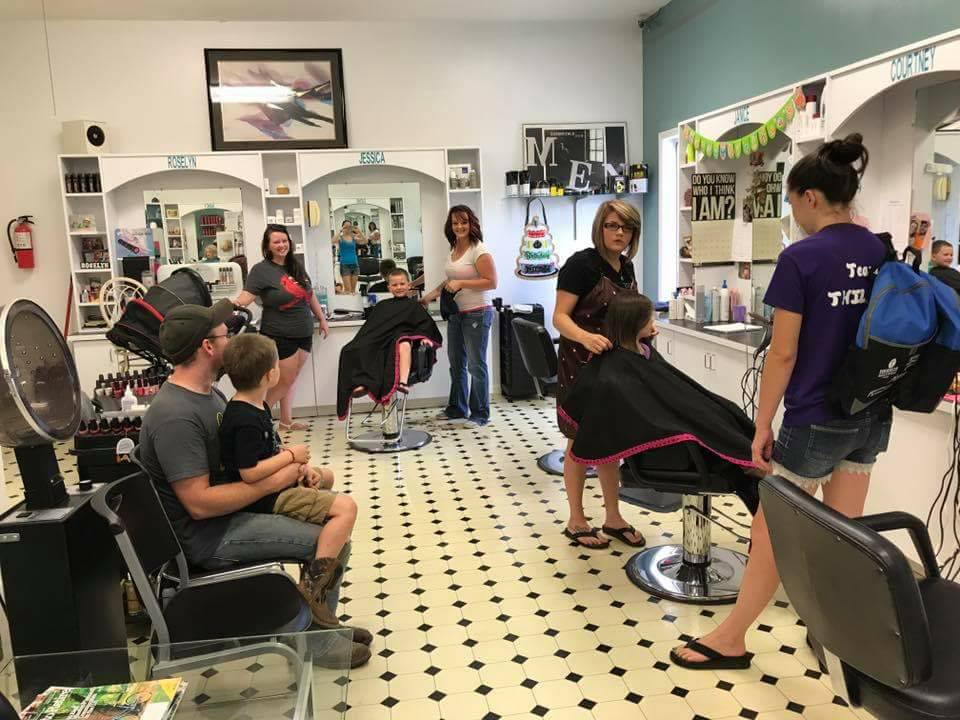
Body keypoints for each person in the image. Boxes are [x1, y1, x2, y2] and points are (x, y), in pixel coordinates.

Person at [672, 133, 892, 670]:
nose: (791, 213)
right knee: (845, 534)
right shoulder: (878, 248)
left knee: (773, 527)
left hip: (814, 418)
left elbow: (784, 354)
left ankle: (731, 637)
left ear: (811, 197)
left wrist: (761, 424)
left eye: (791, 203)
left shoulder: (801, 258)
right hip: (870, 415)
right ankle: (843, 642)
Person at [137, 300, 371, 668]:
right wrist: (276, 480)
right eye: (225, 335)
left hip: (236, 511)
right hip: (208, 536)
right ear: (207, 347)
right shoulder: (175, 416)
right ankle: (318, 642)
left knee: (334, 526)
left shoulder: (209, 394)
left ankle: (321, 627)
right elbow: (199, 503)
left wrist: (293, 474)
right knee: (327, 541)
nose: (231, 340)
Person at [562, 293, 761, 513]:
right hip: (670, 449)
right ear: (635, 324)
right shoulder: (612, 372)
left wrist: (645, 337)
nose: (654, 324)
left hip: (674, 437)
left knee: (722, 411)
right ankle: (750, 463)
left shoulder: (639, 351)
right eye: (650, 320)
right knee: (710, 426)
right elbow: (649, 416)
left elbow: (656, 398)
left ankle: (750, 461)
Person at [220, 333, 355, 627]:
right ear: (271, 374)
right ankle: (311, 590)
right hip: (267, 497)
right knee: (346, 508)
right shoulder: (243, 417)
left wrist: (297, 465)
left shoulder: (257, 406)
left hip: (279, 484)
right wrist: (291, 457)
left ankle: (321, 605)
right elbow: (250, 471)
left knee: (326, 477)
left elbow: (266, 449)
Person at [553, 199, 645, 550]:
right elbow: (559, 316)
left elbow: (626, 315)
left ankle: (613, 517)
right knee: (579, 440)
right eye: (612, 225)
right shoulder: (581, 265)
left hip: (615, 365)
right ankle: (576, 519)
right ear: (600, 228)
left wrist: (642, 330)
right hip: (580, 364)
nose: (619, 232)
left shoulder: (626, 268)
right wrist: (586, 337)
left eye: (626, 227)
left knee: (611, 440)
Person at [235, 224, 328, 432]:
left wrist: (321, 318)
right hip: (279, 334)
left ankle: (286, 422)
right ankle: (259, 417)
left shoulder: (296, 265)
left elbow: (309, 294)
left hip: (304, 332)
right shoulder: (261, 270)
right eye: (276, 242)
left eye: (284, 241)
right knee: (283, 380)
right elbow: (246, 297)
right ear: (267, 246)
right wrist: (229, 308)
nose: (282, 245)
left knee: (291, 379)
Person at [420, 205, 497, 426]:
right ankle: (457, 408)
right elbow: (449, 281)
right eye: (455, 223)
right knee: (457, 364)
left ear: (472, 224)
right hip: (456, 314)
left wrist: (462, 283)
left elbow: (491, 282)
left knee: (476, 365)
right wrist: (430, 296)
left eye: (464, 222)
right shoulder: (454, 249)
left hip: (477, 314)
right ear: (450, 226)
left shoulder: (479, 250)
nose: (460, 226)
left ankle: (481, 413)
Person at [337, 268, 442, 419]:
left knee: (403, 343)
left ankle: (403, 383)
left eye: (402, 284)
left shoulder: (414, 306)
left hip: (401, 344)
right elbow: (370, 330)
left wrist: (424, 338)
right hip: (381, 342)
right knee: (350, 349)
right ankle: (362, 384)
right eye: (395, 285)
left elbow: (425, 326)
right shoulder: (382, 306)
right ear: (389, 288)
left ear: (408, 285)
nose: (399, 287)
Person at [334, 221, 359, 294]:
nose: (348, 228)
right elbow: (332, 241)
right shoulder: (340, 238)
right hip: (345, 264)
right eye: (346, 226)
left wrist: (359, 231)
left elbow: (365, 241)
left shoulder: (353, 237)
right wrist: (340, 230)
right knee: (348, 290)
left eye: (349, 226)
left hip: (354, 264)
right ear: (343, 227)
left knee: (353, 291)